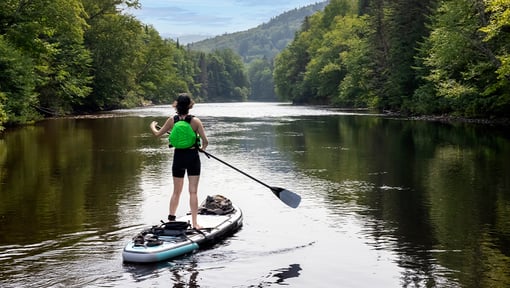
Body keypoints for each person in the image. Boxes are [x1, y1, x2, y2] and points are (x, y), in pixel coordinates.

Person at [149, 94, 209, 229]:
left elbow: (157, 134)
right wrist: (202, 149)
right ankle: (195, 223)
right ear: (190, 106)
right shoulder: (196, 122)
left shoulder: (172, 120)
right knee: (193, 192)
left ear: (176, 105)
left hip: (178, 157)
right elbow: (205, 142)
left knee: (176, 191)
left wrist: (153, 125)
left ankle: (170, 220)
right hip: (193, 157)